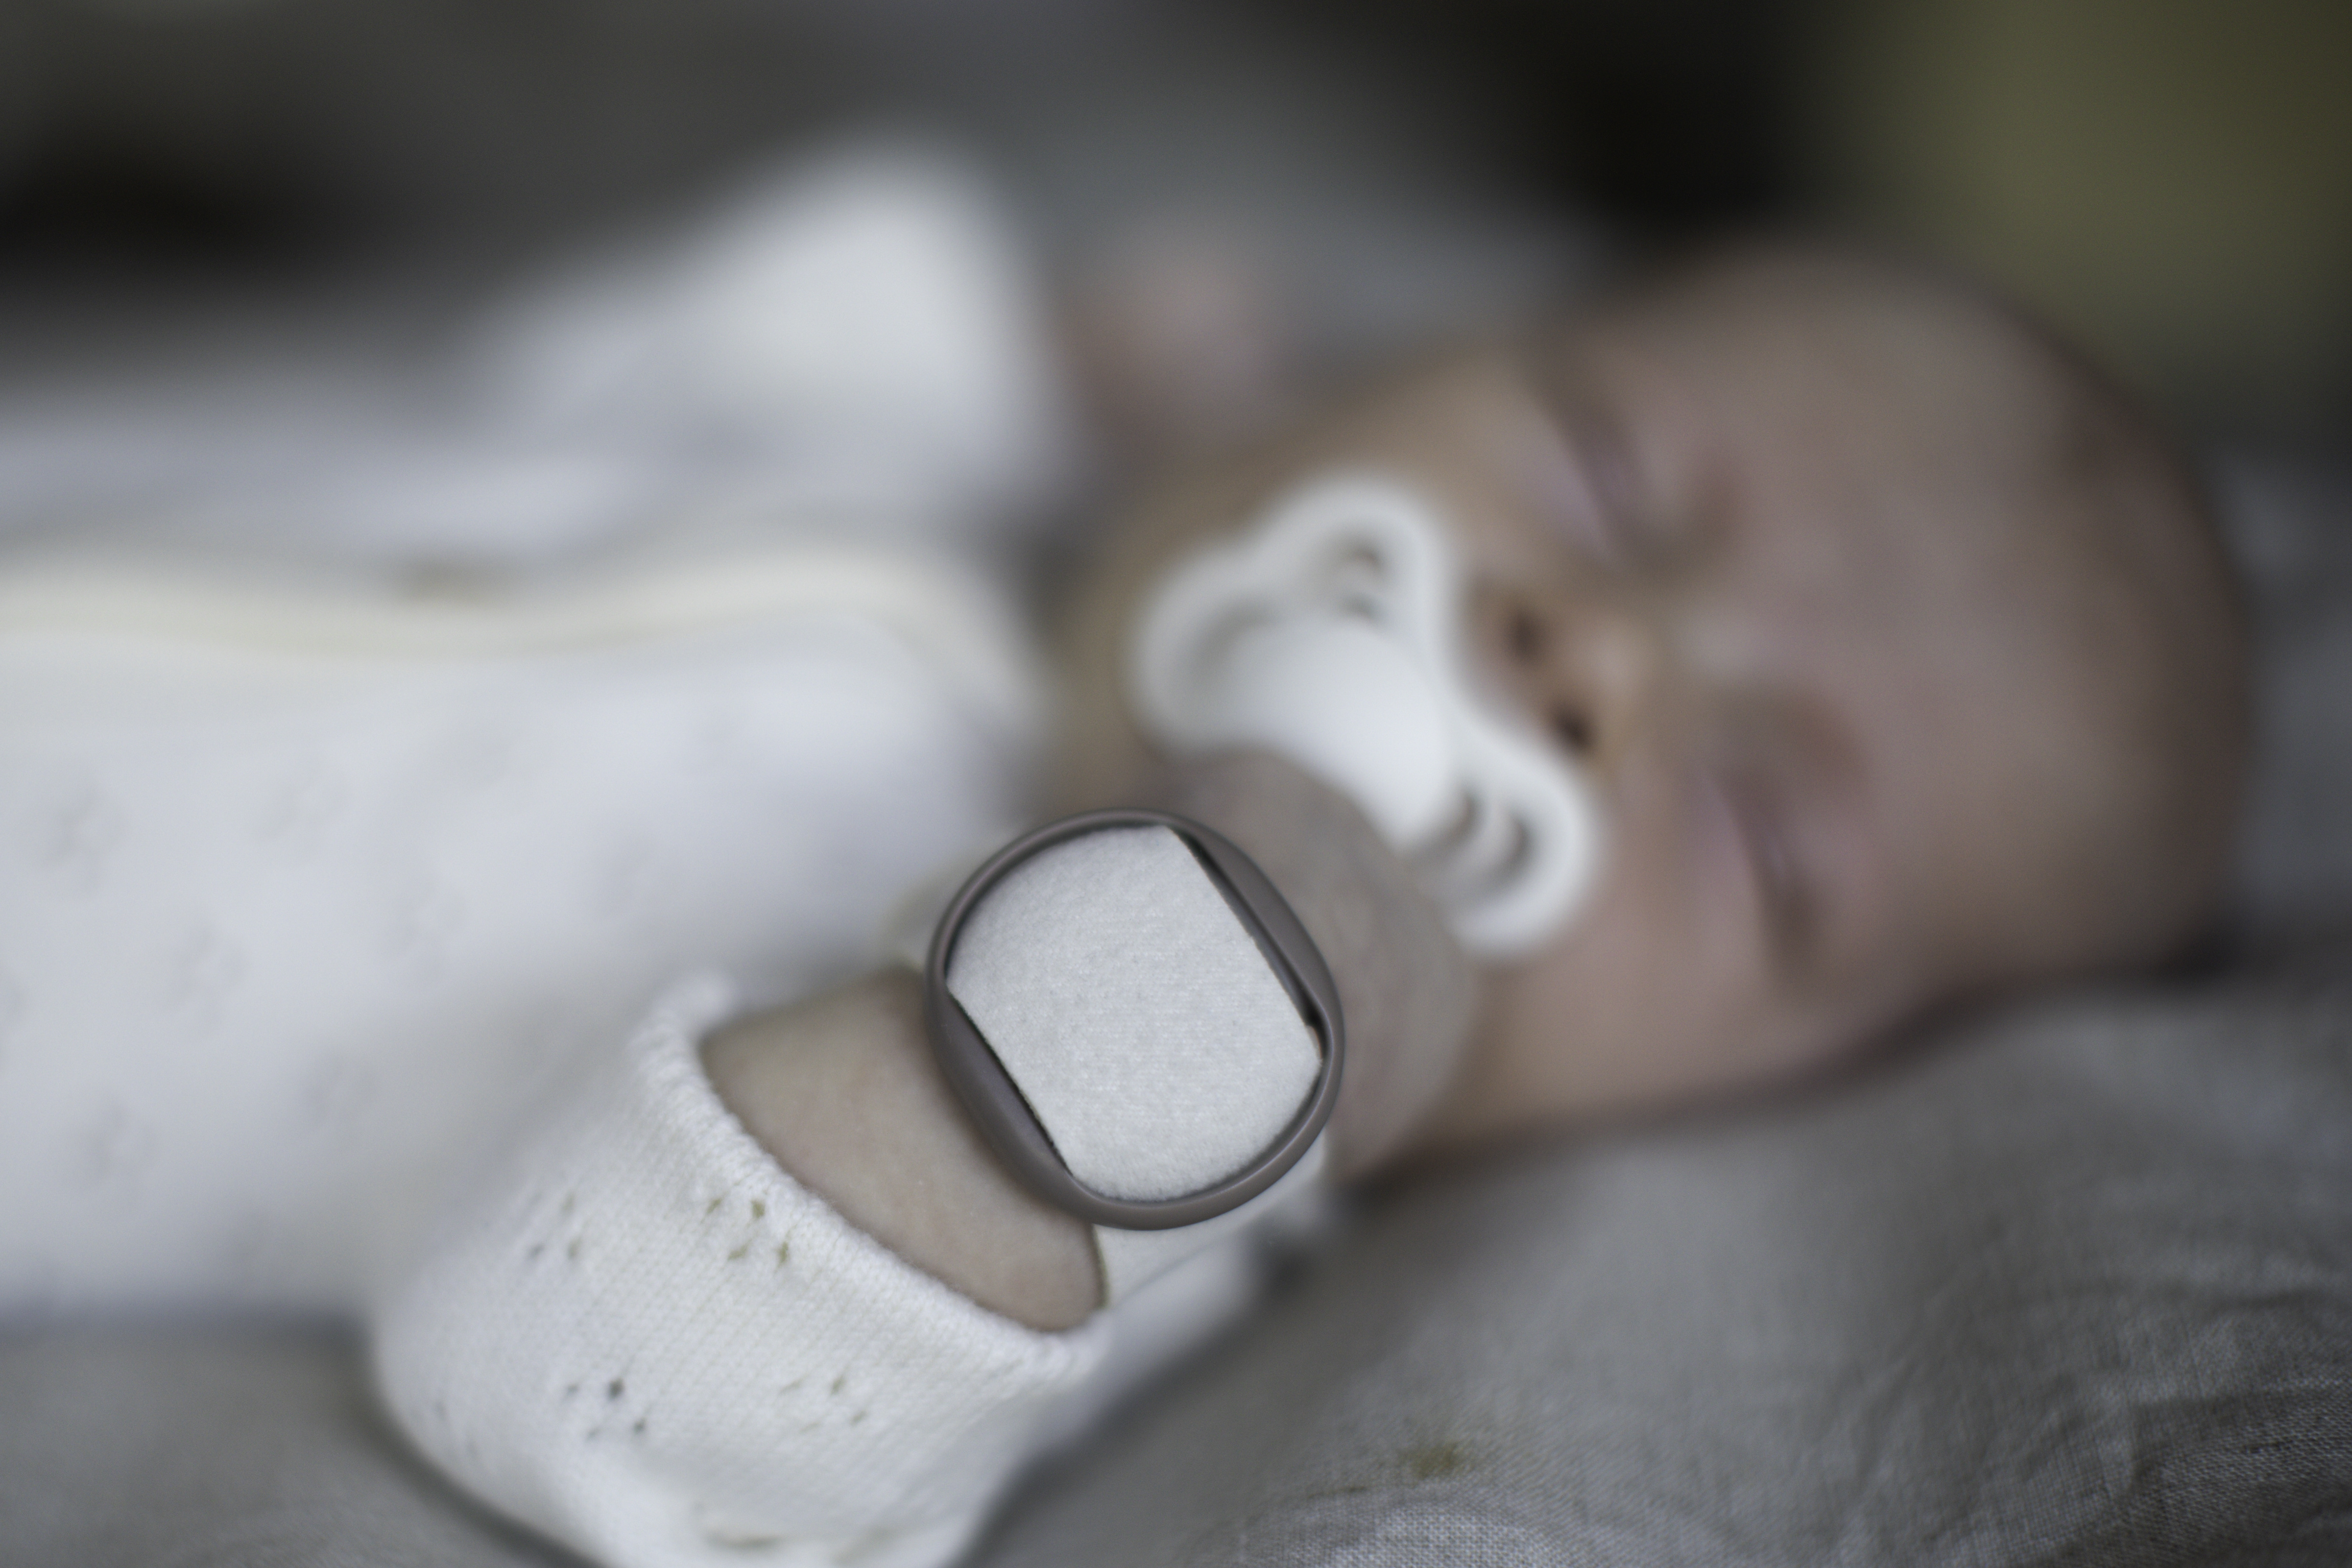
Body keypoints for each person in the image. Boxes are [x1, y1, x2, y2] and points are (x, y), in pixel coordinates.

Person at [0, 195, 2246, 1568]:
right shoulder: (966, 487)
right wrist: (1026, 359)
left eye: (1757, 836)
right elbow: (603, 373)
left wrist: (1211, 985)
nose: (1602, 661)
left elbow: (582, 1377)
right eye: (1603, 472)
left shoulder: (1153, 1211)